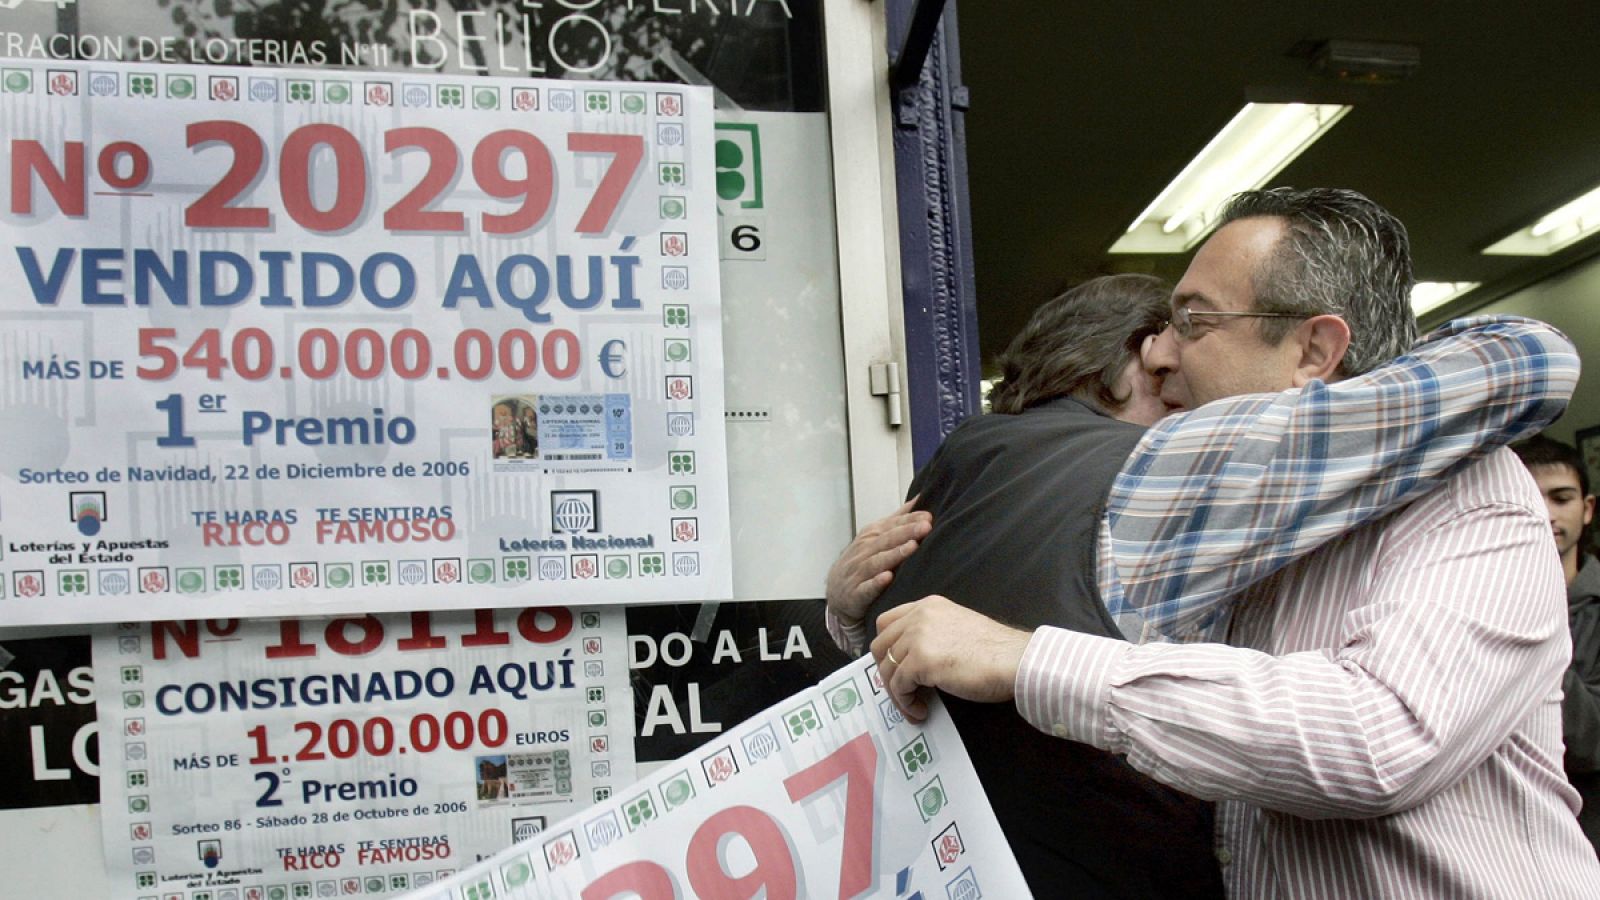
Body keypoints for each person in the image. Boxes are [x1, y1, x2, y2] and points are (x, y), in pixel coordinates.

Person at [866, 188, 1599, 896]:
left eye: (1192, 322)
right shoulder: (1226, 501)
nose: (1157, 354)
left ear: (1314, 350)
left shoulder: (1475, 490)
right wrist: (862, 598)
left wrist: (1028, 659)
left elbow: (1381, 740)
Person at [837, 274, 1226, 897]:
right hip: (1120, 860)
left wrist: (845, 608)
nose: (1183, 395)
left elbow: (887, 616)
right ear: (1130, 363)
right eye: (1168, 379)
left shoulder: (968, 450)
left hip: (959, 855)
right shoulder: (1160, 467)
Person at [1513, 434, 1600, 852]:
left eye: (1561, 498)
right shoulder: (1481, 599)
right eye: (1533, 496)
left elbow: (1592, 741)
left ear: (1587, 510)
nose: (1546, 514)